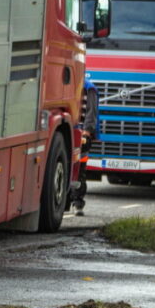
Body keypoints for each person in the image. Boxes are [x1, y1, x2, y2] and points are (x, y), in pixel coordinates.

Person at [70, 78, 99, 215]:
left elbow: (91, 112)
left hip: (82, 136)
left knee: (80, 170)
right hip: (69, 132)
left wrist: (86, 133)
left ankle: (78, 203)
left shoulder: (89, 88)